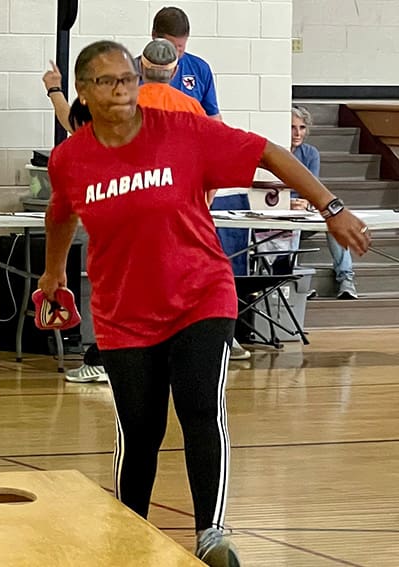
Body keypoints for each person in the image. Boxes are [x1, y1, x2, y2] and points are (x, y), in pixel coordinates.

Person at [38, 40, 369, 566]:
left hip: (200, 295)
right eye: (107, 81)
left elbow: (267, 151)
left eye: (128, 78)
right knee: (140, 428)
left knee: (200, 409)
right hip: (124, 312)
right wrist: (54, 273)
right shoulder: (71, 159)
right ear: (82, 91)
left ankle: (211, 534)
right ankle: (130, 532)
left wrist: (332, 206)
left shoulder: (182, 132)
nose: (122, 90)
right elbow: (61, 214)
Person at [43, 39, 211, 382]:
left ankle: (103, 358)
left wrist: (54, 90)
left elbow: (75, 128)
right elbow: (208, 163)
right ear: (175, 70)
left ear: (139, 69)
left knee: (125, 294)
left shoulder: (121, 104)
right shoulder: (193, 107)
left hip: (125, 215)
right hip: (180, 220)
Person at [289, 106, 358, 299]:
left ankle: (346, 279)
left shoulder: (310, 154)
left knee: (336, 219)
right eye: (292, 127)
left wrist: (305, 203)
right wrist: (289, 203)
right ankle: (293, 280)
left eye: (302, 128)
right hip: (282, 215)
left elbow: (313, 189)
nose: (297, 133)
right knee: (290, 222)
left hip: (307, 211)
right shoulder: (276, 152)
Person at [150, 6, 220, 120]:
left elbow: (213, 118)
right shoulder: (131, 71)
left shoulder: (200, 69)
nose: (176, 53)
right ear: (154, 36)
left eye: (180, 46)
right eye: (170, 47)